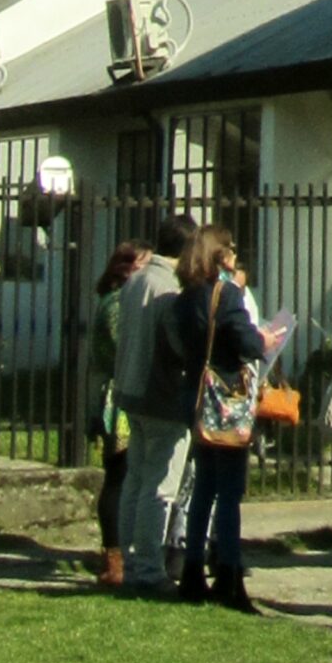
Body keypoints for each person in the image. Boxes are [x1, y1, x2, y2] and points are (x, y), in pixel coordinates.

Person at [162, 225, 274, 614]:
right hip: (225, 401)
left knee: (203, 489)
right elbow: (246, 342)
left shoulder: (184, 297)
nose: (234, 256)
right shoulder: (225, 294)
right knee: (229, 491)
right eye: (229, 250)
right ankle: (228, 571)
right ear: (217, 255)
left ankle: (193, 568)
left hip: (196, 398)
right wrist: (265, 341)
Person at [111, 214, 198, 596]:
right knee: (159, 486)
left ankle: (131, 560)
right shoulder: (169, 289)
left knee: (135, 479)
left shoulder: (136, 280)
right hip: (161, 395)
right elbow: (178, 345)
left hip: (130, 391)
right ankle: (147, 567)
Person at [86, 240, 146, 586]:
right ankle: (113, 556)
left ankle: (121, 551)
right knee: (118, 476)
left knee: (123, 475)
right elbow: (124, 345)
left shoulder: (123, 301)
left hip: (121, 394)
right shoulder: (116, 304)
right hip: (116, 400)